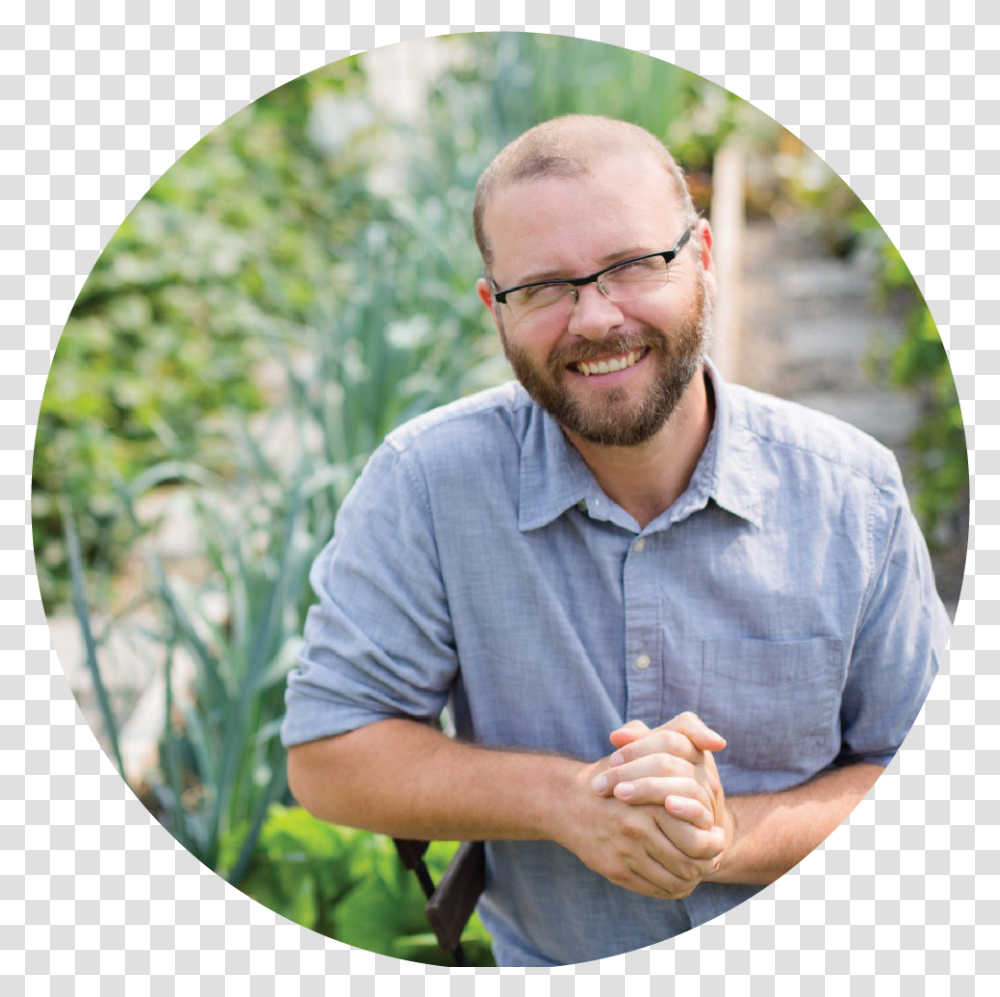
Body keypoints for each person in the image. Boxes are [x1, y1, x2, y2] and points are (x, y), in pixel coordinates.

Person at [280, 115, 949, 967]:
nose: (596, 318)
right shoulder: (428, 485)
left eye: (635, 264)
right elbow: (329, 753)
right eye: (546, 288)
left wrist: (721, 834)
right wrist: (567, 799)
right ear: (495, 309)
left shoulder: (851, 494)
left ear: (703, 254)